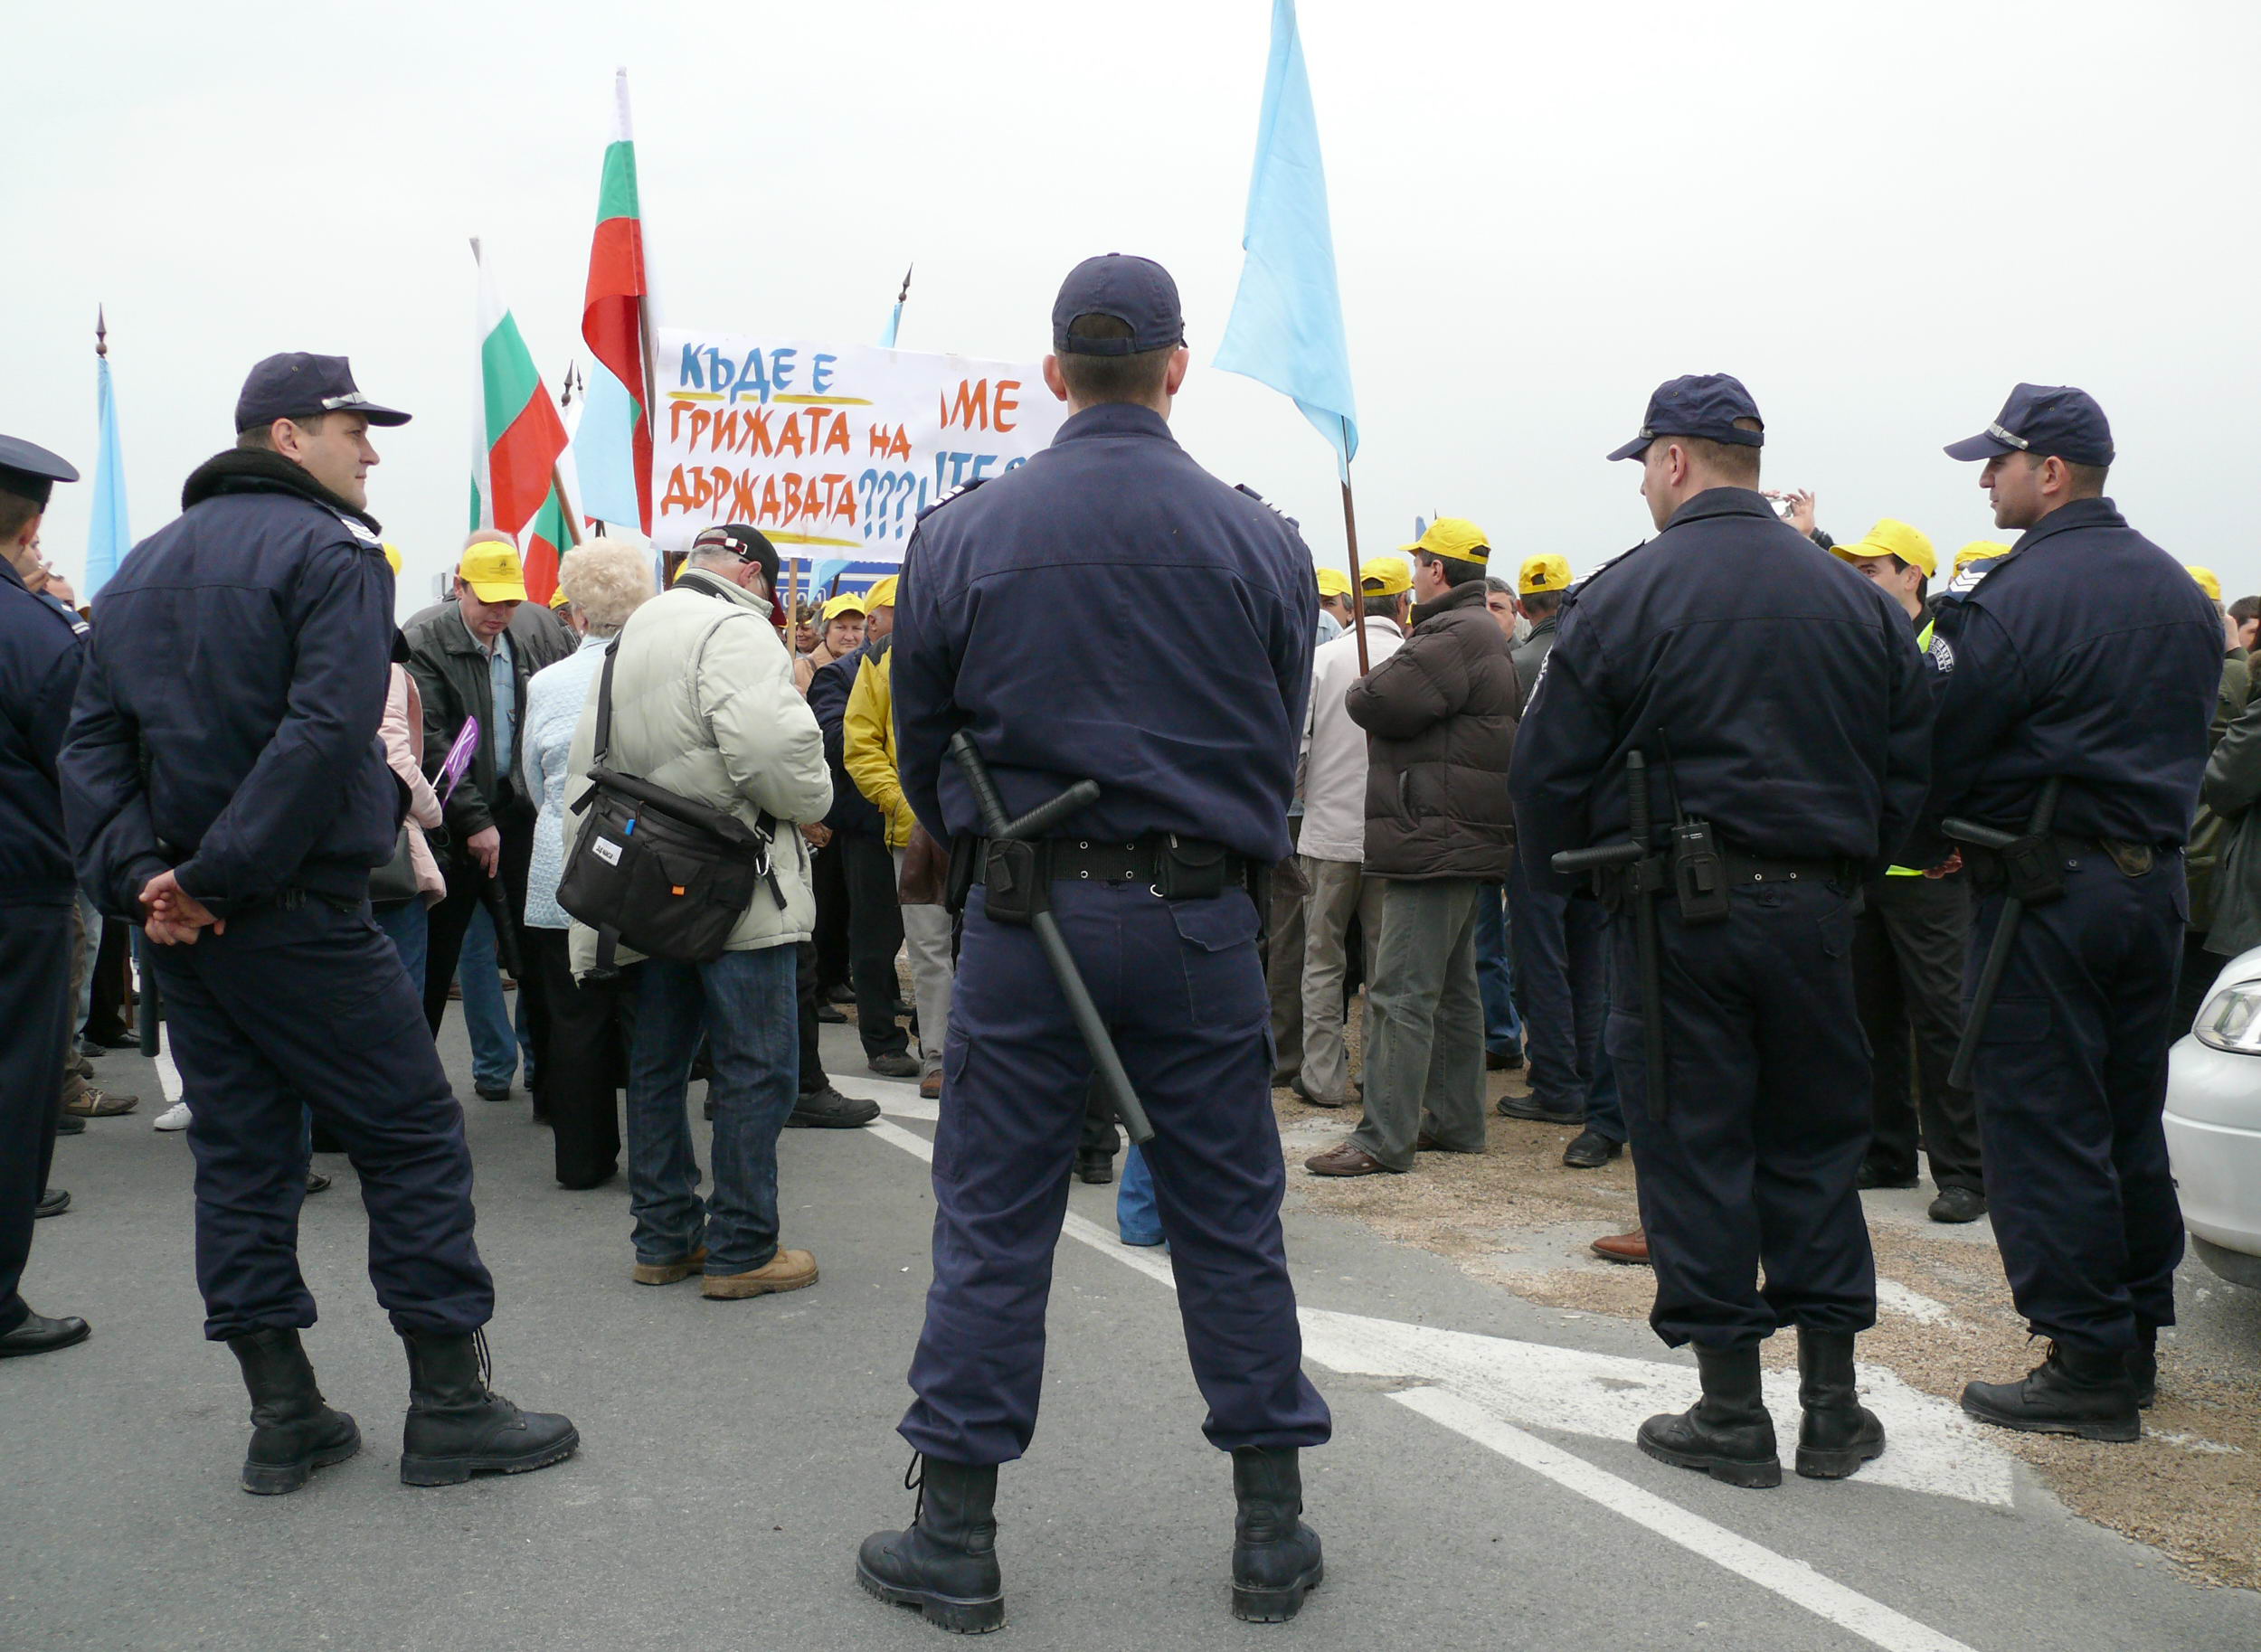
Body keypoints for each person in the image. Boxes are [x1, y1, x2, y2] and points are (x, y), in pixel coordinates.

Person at [860, 254, 1329, 1629]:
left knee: (994, 1222)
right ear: (1176, 368)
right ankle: (1269, 1531)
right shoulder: (1263, 539)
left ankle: (955, 1533)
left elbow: (931, 738)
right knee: (1229, 1219)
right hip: (1195, 916)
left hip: (1027, 916)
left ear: (1054, 371)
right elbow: (1274, 723)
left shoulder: (961, 533)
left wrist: (973, 832)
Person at [61, 353, 575, 1490]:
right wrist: (210, 879)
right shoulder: (332, 557)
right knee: (410, 1140)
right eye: (355, 429)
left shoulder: (142, 570)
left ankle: (283, 1415)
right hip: (286, 912)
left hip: (189, 930)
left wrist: (148, 880)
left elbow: (92, 748)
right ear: (287, 437)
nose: (373, 450)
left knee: (243, 1160)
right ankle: (450, 1405)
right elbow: (323, 732)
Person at [1510, 373, 1932, 1490]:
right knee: (1812, 1145)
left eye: (1645, 464)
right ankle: (1834, 1411)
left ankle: (1730, 1412)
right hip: (1815, 910)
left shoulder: (1625, 596)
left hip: (1674, 917)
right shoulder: (1857, 602)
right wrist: (1844, 872)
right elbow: (1912, 768)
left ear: (1674, 461)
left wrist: (1567, 890)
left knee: (1696, 1146)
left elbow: (1544, 772)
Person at [1921, 384, 2219, 1441]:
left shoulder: (2012, 596)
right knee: (2122, 1118)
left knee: (2043, 1123)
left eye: (1996, 462)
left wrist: (1926, 833)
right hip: (2152, 891)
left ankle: (2086, 1360)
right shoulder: (2181, 594)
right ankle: (2132, 1336)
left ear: (2049, 472)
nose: (1984, 479)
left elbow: (1934, 741)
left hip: (2046, 895)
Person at [566, 522, 832, 1299]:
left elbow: (588, 765)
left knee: (659, 1065)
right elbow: (774, 757)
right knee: (758, 1067)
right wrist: (817, 801)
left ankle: (664, 1237)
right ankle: (743, 1245)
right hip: (734, 883)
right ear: (752, 574)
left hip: (650, 883)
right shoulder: (736, 627)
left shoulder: (632, 633)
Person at [1304, 518, 1518, 1178]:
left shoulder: (1453, 634)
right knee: (1453, 990)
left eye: (1422, 560)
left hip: (1435, 833)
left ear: (1437, 570)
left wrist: (1367, 685)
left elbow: (1374, 700)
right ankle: (1455, 1120)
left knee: (1398, 990)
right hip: (1457, 833)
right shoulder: (1478, 630)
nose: (1417, 570)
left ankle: (1382, 1136)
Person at [1828, 520, 1987, 1223]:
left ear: (1911, 576)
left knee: (1942, 1019)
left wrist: (1944, 841)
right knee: (1871, 1019)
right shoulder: (1864, 644)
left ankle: (1965, 1171)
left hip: (1927, 870)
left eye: (1872, 568)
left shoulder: (1944, 653)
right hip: (1867, 866)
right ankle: (1888, 1150)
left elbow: (1953, 758)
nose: (1861, 578)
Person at [402, 542, 570, 1081]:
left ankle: (549, 1082)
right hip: (449, 827)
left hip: (519, 816)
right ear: (460, 587)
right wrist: (474, 822)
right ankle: (412, 1087)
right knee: (435, 962)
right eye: (488, 600)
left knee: (539, 952)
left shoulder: (526, 639)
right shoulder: (424, 643)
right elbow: (432, 742)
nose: (499, 613)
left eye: (510, 602)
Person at [518, 539, 653, 1188]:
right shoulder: (659, 675)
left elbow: (531, 781)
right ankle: (657, 1156)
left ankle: (581, 1159)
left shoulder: (546, 684)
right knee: (649, 1014)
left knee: (571, 1019)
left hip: (560, 868)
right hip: (638, 866)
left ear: (574, 611)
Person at [0, 433, 91, 1359]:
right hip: (17, 893)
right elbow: (83, 768)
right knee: (15, 1089)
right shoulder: (35, 635)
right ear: (31, 523)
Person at [1499, 551, 1614, 1144]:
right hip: (1597, 835)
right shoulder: (1595, 655)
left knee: (1541, 957)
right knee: (1590, 960)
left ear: (1522, 606)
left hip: (1537, 833)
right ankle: (1591, 1076)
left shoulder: (1519, 664)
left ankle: (1556, 1084)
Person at [1293, 557, 1410, 1108]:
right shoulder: (1413, 660)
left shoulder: (1323, 660)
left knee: (1322, 961)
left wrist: (1307, 794)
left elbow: (1298, 748)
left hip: (1328, 834)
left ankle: (1323, 1078)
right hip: (1392, 838)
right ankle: (1383, 1078)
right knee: (1387, 968)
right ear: (1404, 604)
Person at [844, 598, 956, 1101]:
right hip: (919, 832)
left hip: (993, 828)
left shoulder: (987, 642)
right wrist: (898, 802)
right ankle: (940, 1056)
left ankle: (984, 1055)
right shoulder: (883, 658)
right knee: (930, 948)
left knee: (990, 947)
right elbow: (860, 742)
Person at [809, 576, 919, 1081]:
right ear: (879, 621)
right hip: (870, 825)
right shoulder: (841, 676)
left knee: (935, 940)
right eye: (900, 608)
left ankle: (934, 1030)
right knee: (875, 939)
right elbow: (835, 741)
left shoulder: (934, 666)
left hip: (932, 823)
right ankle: (881, 1040)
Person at [795, 589, 866, 695]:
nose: (849, 637)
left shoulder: (873, 668)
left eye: (856, 628)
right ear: (824, 631)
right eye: (841, 628)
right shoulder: (801, 669)